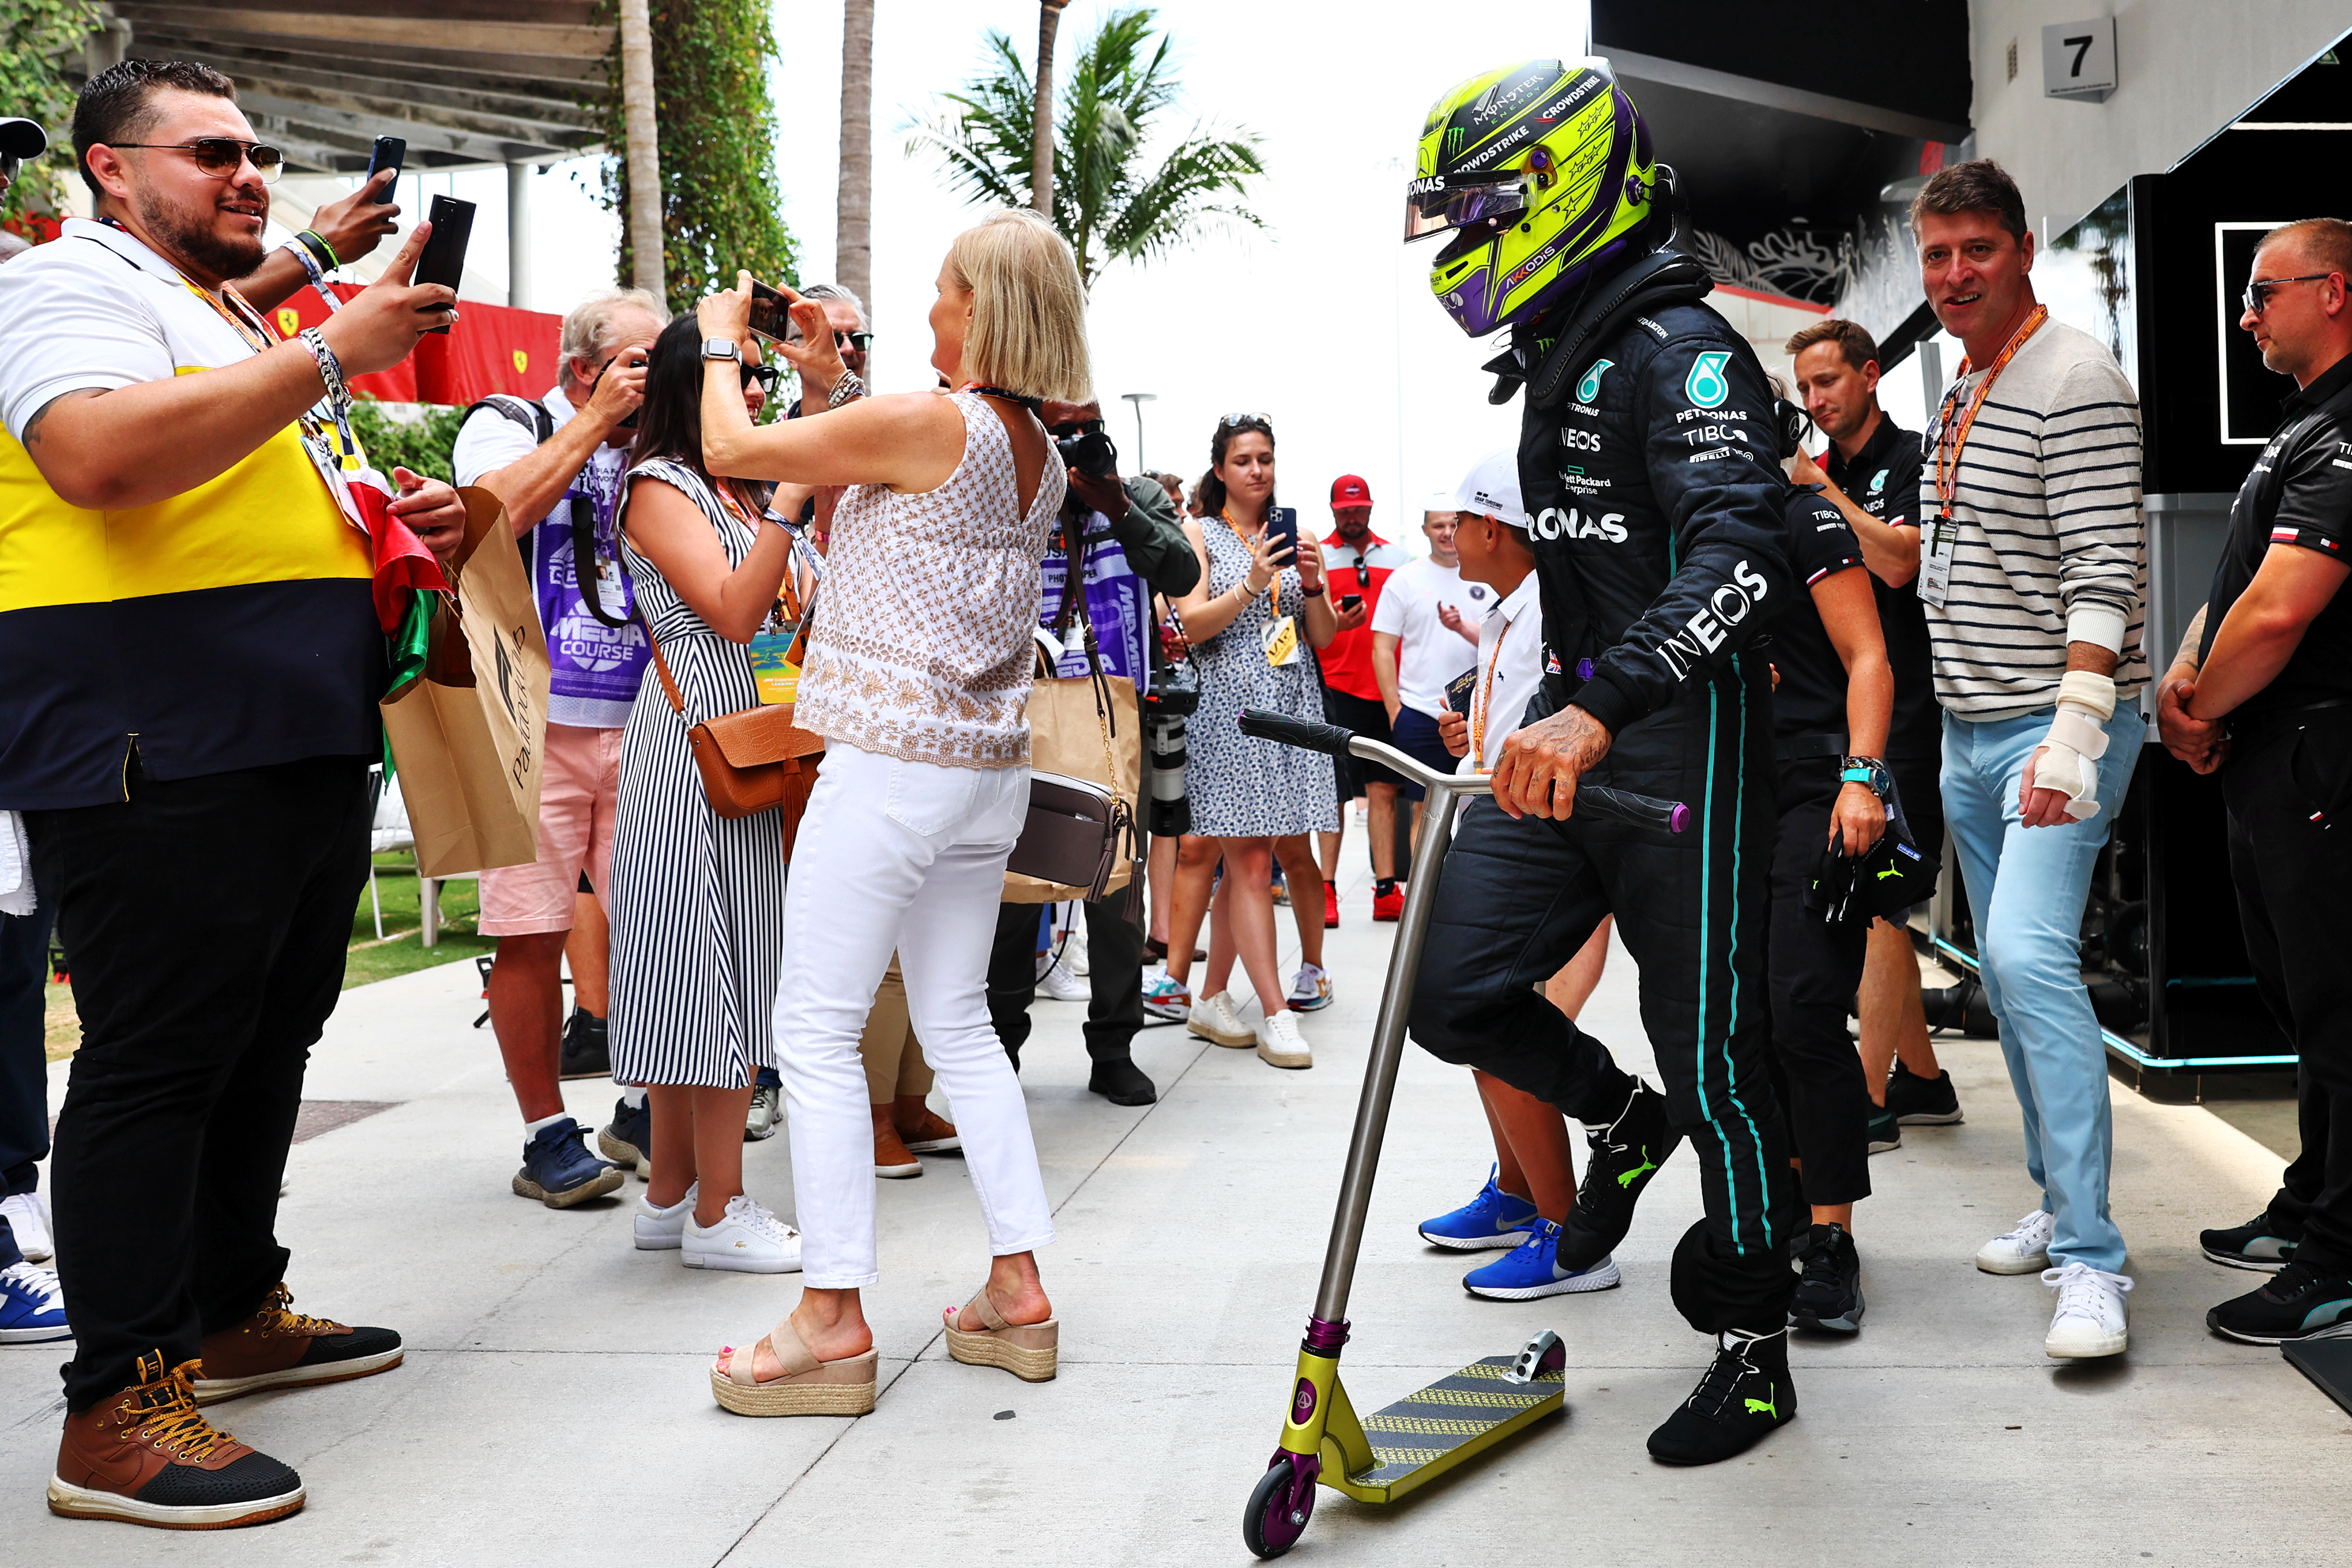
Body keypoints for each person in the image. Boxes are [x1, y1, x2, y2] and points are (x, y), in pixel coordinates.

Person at [0, 59, 462, 1527]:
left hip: (282, 733)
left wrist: (398, 507)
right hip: (155, 735)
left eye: (255, 150)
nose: (249, 171)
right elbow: (91, 456)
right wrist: (335, 351)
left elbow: (243, 473)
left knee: (267, 1036)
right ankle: (117, 1410)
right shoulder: (65, 286)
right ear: (111, 169)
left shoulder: (213, 309)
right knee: (158, 1056)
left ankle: (228, 1303)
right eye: (211, 151)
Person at [1402, 59, 1801, 1465]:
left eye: (1478, 210)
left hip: (1676, 742)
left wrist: (1600, 702)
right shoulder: (1573, 339)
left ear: (1555, 188)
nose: (1461, 242)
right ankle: (1616, 1121)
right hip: (1577, 733)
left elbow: (1742, 552)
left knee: (1719, 1064)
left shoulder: (1681, 347)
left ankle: (1754, 1351)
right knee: (1445, 985)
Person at [694, 208, 1089, 1417]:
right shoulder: (1039, 450)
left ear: (985, 307)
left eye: (943, 291)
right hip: (982, 771)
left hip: (886, 763)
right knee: (960, 1024)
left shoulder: (932, 423)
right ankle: (1017, 1288)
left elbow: (734, 449)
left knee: (812, 1033)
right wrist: (831, 381)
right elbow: (886, 471)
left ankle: (831, 1319)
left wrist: (721, 342)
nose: (930, 308)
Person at [1907, 160, 2151, 1357]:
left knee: (2027, 959)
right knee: (2004, 983)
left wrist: (2075, 736)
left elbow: (2107, 573)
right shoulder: (1969, 386)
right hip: (1968, 732)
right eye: (1937, 256)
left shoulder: (2077, 378)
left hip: (2052, 731)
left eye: (1976, 252)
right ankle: (2060, 1207)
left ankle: (2098, 1260)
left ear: (2024, 250)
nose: (1955, 275)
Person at [2159, 217, 2352, 1344]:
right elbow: (2233, 590)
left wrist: (2197, 707)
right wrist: (2189, 685)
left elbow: (2279, 611)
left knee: (2338, 1008)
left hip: (2319, 752)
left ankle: (2334, 1254)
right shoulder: (2303, 425)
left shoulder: (2345, 432)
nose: (2242, 316)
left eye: (2261, 293)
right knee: (2301, 1001)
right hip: (2269, 754)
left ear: (2332, 291)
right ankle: (2313, 1201)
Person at [454, 286, 667, 1209]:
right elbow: (492, 517)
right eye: (640, 366)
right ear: (585, 370)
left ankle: (643, 1106)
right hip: (530, 727)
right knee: (530, 935)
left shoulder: (664, 448)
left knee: (658, 931)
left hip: (648, 722)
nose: (657, 385)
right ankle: (547, 1134)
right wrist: (595, 423)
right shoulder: (508, 422)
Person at [604, 317, 802, 1274]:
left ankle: (674, 1194)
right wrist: (793, 507)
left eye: (763, 379)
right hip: (695, 748)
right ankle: (719, 1214)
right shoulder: (660, 486)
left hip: (752, 738)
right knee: (712, 973)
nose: (759, 394)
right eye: (744, 375)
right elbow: (732, 608)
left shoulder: (741, 485)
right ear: (696, 382)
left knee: (712, 970)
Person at [1406, 451, 1612, 1304]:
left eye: (1459, 521)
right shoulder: (1505, 611)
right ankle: (1524, 1192)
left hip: (1546, 844)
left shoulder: (1546, 611)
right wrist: (1477, 742)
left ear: (1494, 528)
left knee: (1502, 1028)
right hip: (1501, 822)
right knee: (1474, 1027)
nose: (1449, 534)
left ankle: (1572, 1237)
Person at [985, 398, 1200, 1106]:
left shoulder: (1130, 492)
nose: (1075, 442)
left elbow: (1175, 571)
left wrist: (1111, 501)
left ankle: (1113, 1049)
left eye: (1087, 428)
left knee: (1116, 889)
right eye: (1060, 428)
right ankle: (1002, 1046)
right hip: (1021, 714)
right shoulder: (1007, 483)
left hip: (1113, 714)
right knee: (1017, 888)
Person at [1786, 319, 1959, 1152]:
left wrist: (1815, 489)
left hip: (1913, 710)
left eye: (1828, 382)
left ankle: (1866, 1101)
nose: (1816, 400)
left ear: (1870, 374)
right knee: (1860, 890)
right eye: (1806, 389)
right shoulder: (1832, 469)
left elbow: (1899, 562)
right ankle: (1922, 1080)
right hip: (1842, 714)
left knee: (1881, 900)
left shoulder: (1913, 456)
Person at [1757, 444, 1895, 1335]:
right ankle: (1780, 1211)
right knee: (1744, 1024)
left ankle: (1833, 1239)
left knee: (1804, 1011)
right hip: (1726, 802)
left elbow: (1868, 656)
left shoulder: (1804, 516)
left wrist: (1863, 776)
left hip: (1819, 787)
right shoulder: (1682, 529)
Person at [1163, 415, 1341, 1070]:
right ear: (1221, 470)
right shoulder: (1199, 533)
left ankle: (1211, 997)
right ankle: (1275, 1011)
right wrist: (1253, 583)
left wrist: (1313, 584)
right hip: (1232, 711)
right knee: (1249, 865)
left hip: (1292, 705)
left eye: (1266, 458)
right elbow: (1193, 624)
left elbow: (1319, 637)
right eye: (1243, 460)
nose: (1258, 471)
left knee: (1256, 858)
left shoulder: (1299, 537)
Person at [1315, 474, 1411, 920]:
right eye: (1346, 510)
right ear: (1334, 510)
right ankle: (1326, 890)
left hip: (1384, 691)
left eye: (1361, 509)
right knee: (1334, 796)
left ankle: (1386, 889)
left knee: (1384, 792)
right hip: (1334, 688)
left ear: (1371, 508)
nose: (1354, 516)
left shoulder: (1397, 557)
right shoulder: (1316, 556)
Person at [1371, 506, 1482, 860]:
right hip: (1420, 712)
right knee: (1426, 810)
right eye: (1438, 525)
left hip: (1477, 713)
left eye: (1454, 524)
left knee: (1477, 814)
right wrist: (1395, 711)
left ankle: (1463, 900)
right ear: (1425, 530)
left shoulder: (1485, 573)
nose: (1447, 532)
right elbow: (1382, 647)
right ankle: (1421, 904)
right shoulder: (1405, 579)